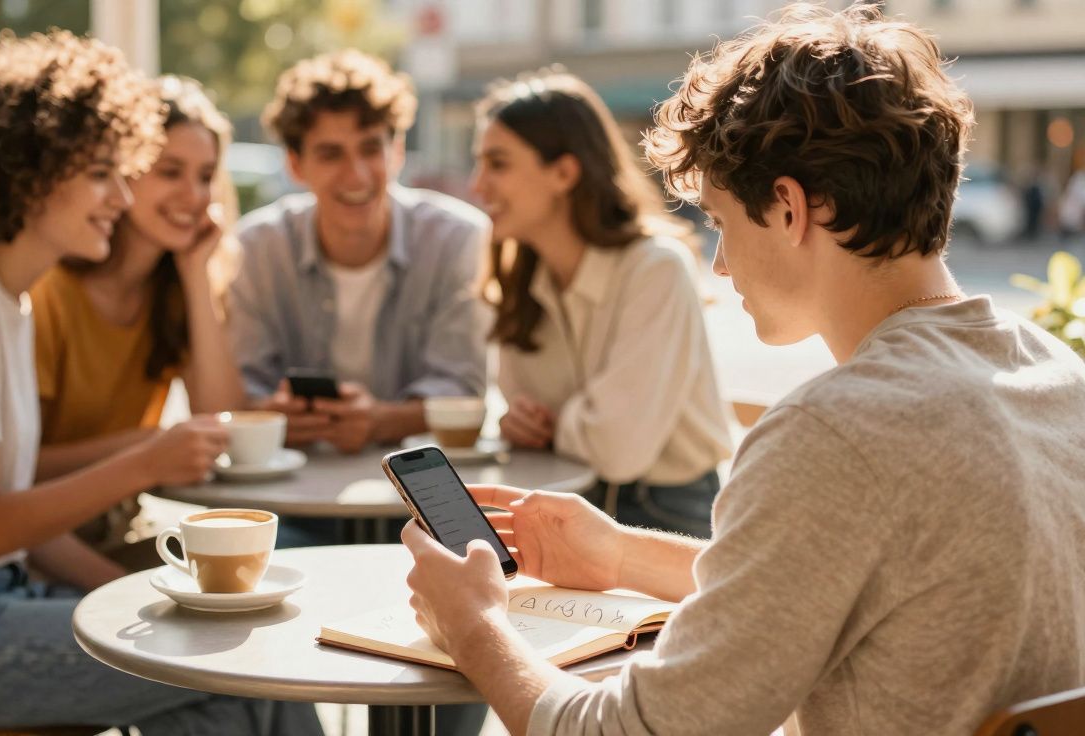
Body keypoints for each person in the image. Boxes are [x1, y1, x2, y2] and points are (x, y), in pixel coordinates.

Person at [400, 5, 1085, 735]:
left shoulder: (833, 432)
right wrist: (621, 554)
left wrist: (473, 625)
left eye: (721, 222)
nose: (721, 265)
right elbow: (851, 576)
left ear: (788, 208)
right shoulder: (1053, 372)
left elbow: (632, 732)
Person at [0, 32, 320, 735]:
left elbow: (2, 518)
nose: (122, 197)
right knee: (223, 662)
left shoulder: (0, 296)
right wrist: (143, 461)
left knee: (234, 664)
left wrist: (130, 577)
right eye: (101, 174)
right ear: (29, 173)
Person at [473, 70, 732, 538]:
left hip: (667, 513)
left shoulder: (657, 268)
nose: (478, 185)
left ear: (564, 173)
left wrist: (552, 429)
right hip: (560, 495)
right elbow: (524, 409)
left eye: (498, 164)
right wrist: (519, 425)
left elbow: (618, 449)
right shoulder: (520, 277)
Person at [229, 48, 490, 456]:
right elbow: (244, 390)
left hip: (417, 480)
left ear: (397, 151)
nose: (357, 175)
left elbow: (461, 389)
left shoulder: (457, 240)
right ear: (295, 165)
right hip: (292, 480)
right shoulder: (257, 248)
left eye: (370, 149)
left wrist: (379, 421)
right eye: (331, 154)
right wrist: (273, 413)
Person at [31, 75, 245, 567]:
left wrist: (196, 275)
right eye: (170, 172)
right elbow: (15, 473)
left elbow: (223, 419)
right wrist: (143, 449)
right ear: (123, 175)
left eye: (206, 176)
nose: (194, 196)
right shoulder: (49, 292)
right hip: (43, 544)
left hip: (121, 526)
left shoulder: (175, 291)